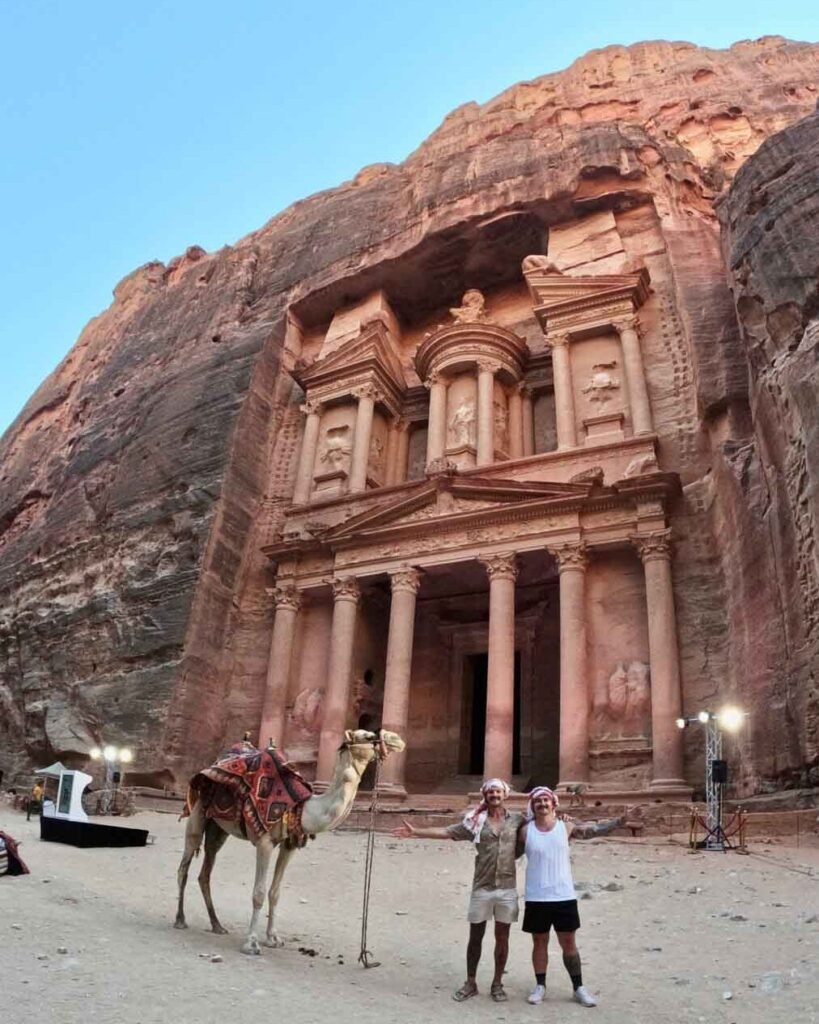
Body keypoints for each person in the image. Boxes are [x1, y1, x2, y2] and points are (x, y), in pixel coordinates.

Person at [392, 778, 522, 1003]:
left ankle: (497, 983)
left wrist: (565, 819)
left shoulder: (518, 820)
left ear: (506, 795)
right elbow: (447, 832)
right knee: (475, 937)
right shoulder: (475, 822)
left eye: (498, 791)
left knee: (503, 938)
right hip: (482, 886)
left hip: (507, 888)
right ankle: (471, 982)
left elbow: (543, 823)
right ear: (485, 795)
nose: (494, 795)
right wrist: (417, 832)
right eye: (490, 792)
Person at [518, 786, 636, 1007]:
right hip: (536, 896)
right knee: (539, 942)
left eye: (546, 801)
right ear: (532, 806)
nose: (542, 804)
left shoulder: (567, 826)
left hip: (563, 895)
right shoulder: (525, 831)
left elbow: (593, 830)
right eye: (538, 802)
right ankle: (540, 985)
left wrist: (619, 822)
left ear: (554, 804)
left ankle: (578, 987)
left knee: (568, 942)